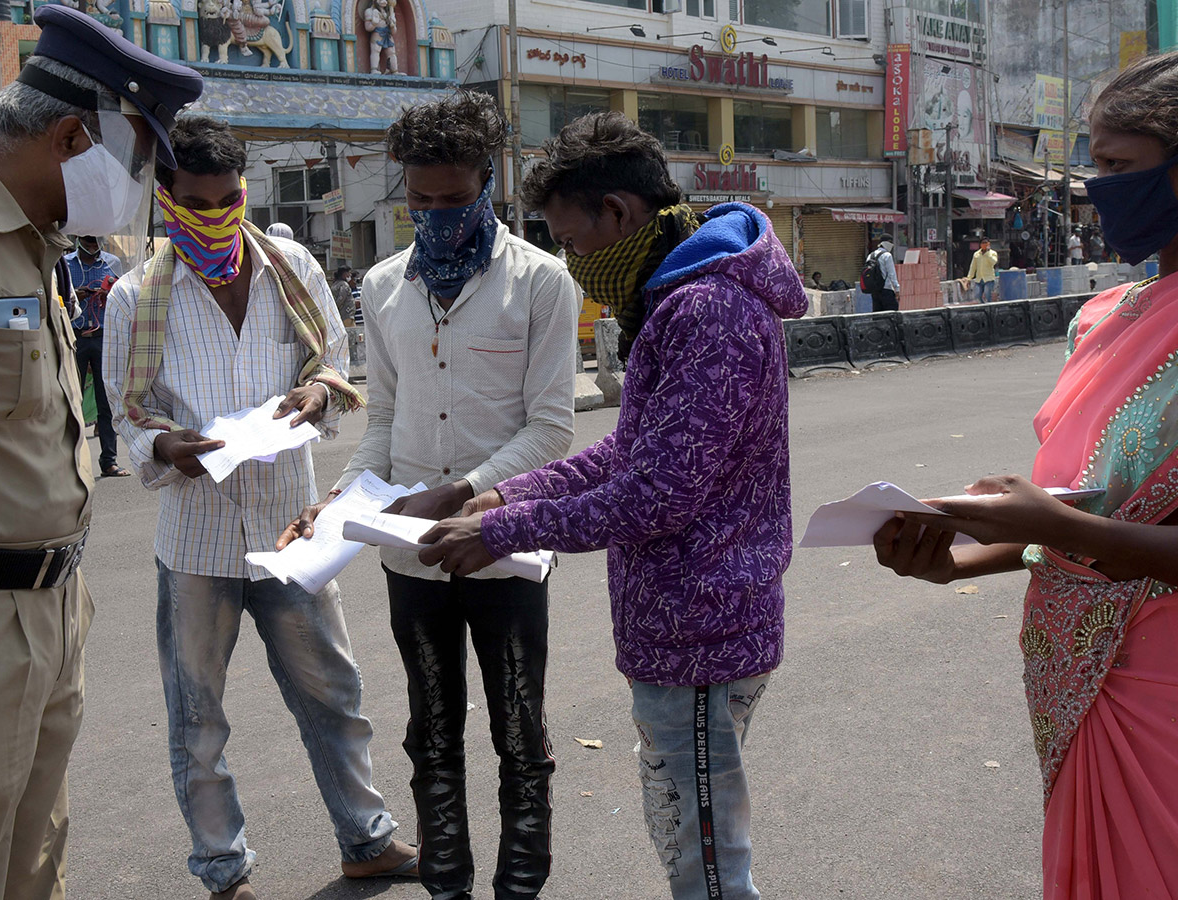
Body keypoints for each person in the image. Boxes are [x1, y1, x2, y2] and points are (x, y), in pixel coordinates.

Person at [417, 111, 807, 900]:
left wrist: (504, 528)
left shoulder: (708, 312)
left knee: (706, 856)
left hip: (702, 631)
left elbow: (656, 493)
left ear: (620, 215)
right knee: (686, 834)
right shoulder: (678, 301)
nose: (573, 262)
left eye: (575, 242)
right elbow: (631, 454)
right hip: (680, 628)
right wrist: (501, 491)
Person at [871, 50, 1178, 899]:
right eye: (1092, 162)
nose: (1095, 187)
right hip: (1070, 684)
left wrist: (1052, 526)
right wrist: (954, 558)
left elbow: (1073, 526)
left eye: (1117, 167)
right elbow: (1082, 517)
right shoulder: (1108, 316)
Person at [103, 117, 417, 900]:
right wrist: (165, 450)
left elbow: (332, 359)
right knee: (198, 721)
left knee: (334, 695)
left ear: (247, 190)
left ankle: (367, 840)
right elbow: (126, 412)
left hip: (291, 527)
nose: (216, 217)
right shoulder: (138, 298)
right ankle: (223, 870)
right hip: (196, 542)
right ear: (169, 202)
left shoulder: (291, 268)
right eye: (197, 203)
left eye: (229, 199)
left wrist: (318, 391)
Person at [277, 92, 579, 900]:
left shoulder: (542, 284)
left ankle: (521, 885)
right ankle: (446, 882)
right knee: (431, 730)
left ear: (490, 180)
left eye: (454, 199)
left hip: (506, 547)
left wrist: (463, 490)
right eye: (420, 200)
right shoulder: (382, 287)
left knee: (520, 732)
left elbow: (552, 431)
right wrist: (338, 501)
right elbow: (384, 424)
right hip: (409, 556)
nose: (437, 215)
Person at [0, 8, 202, 900]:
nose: (142, 183)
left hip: (53, 604)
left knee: (34, 853)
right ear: (72, 135)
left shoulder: (38, 250)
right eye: (137, 158)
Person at [64, 235, 129, 476]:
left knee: (106, 400)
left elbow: (122, 295)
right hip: (75, 336)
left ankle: (109, 461)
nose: (92, 247)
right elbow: (58, 300)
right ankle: (70, 462)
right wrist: (74, 298)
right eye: (88, 242)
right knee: (71, 401)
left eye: (95, 242)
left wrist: (107, 294)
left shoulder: (112, 263)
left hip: (103, 337)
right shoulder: (66, 264)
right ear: (79, 239)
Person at [866, 233, 900, 311]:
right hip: (886, 290)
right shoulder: (887, 255)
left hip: (874, 291)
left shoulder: (870, 255)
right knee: (892, 315)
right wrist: (897, 289)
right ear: (887, 243)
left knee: (877, 317)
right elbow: (892, 274)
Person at [965, 237, 999, 303]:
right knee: (977, 296)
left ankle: (989, 308)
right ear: (980, 244)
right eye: (983, 243)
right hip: (979, 279)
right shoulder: (976, 254)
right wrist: (969, 278)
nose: (984, 244)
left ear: (989, 244)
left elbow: (994, 262)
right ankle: (983, 308)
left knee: (987, 295)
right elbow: (973, 267)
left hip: (988, 279)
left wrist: (987, 253)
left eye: (986, 243)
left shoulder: (993, 253)